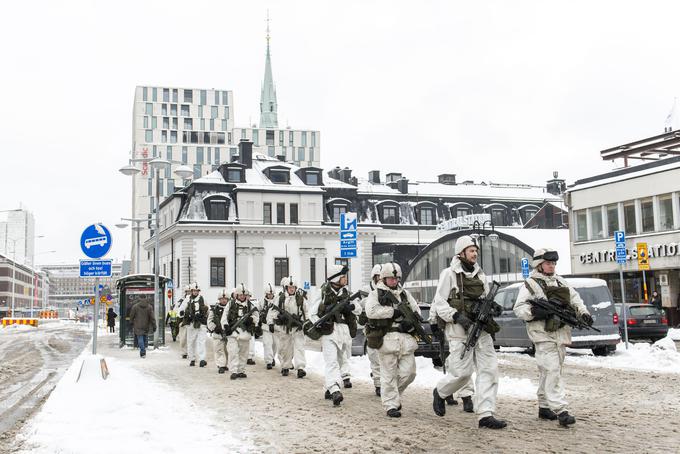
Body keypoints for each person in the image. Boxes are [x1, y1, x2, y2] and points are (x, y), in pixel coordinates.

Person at [430, 235, 507, 429]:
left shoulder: (481, 275)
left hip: (481, 330)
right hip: (459, 330)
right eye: (471, 250)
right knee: (462, 374)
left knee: (489, 371)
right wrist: (456, 316)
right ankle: (440, 392)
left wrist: (493, 307)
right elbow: (439, 303)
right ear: (461, 252)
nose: (475, 254)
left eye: (476, 251)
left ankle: (485, 414)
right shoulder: (449, 274)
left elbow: (484, 298)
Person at [514, 248, 593, 427]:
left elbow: (575, 298)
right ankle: (561, 410)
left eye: (554, 263)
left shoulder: (560, 281)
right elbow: (519, 308)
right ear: (539, 265)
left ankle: (543, 406)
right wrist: (534, 311)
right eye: (549, 263)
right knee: (552, 371)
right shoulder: (530, 284)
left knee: (549, 371)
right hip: (542, 334)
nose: (552, 266)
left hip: (560, 333)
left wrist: (584, 313)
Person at [365, 262, 423, 417]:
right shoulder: (376, 293)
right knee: (388, 374)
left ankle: (392, 395)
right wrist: (392, 312)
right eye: (390, 278)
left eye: (396, 278)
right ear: (383, 279)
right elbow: (370, 311)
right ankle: (391, 405)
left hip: (405, 338)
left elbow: (416, 309)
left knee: (409, 373)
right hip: (387, 338)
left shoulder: (404, 294)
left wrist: (411, 321)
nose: (394, 281)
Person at [308, 264, 362, 406]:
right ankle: (335, 390)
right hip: (329, 331)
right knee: (331, 362)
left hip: (343, 333)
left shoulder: (347, 293)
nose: (345, 279)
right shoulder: (322, 293)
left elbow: (359, 309)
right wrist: (320, 323)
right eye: (343, 276)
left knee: (339, 362)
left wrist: (351, 307)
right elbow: (312, 313)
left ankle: (328, 386)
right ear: (337, 278)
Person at [268, 277, 308, 378]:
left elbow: (306, 312)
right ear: (286, 288)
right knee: (284, 348)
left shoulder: (300, 298)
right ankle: (285, 366)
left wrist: (306, 323)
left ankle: (300, 368)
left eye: (293, 287)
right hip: (284, 328)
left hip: (297, 328)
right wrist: (271, 323)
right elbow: (273, 311)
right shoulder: (280, 298)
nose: (291, 289)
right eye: (290, 287)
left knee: (299, 348)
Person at [221, 284, 259, 380]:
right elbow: (224, 316)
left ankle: (241, 371)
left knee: (243, 353)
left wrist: (251, 319)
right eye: (240, 295)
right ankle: (233, 371)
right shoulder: (230, 304)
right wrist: (226, 326)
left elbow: (256, 317)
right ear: (236, 295)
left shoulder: (251, 305)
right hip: (233, 333)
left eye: (244, 295)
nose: (242, 296)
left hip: (245, 333)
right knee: (233, 352)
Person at [358, 264, 383, 396]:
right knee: (374, 357)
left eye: (381, 276)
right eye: (377, 276)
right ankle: (378, 384)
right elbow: (358, 305)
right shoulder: (366, 289)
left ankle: (384, 382)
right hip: (372, 329)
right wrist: (370, 300)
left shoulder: (386, 289)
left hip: (385, 328)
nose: (379, 279)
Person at [183, 283, 208, 367]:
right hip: (191, 323)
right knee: (191, 342)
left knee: (201, 342)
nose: (195, 292)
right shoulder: (187, 299)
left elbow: (208, 310)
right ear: (191, 291)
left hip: (201, 323)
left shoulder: (203, 299)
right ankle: (192, 358)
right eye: (194, 291)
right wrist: (183, 314)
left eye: (197, 291)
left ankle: (202, 359)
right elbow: (181, 310)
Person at [207, 289, 230, 374]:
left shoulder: (230, 309)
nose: (223, 300)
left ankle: (225, 364)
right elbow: (209, 320)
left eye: (225, 299)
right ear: (219, 300)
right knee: (218, 350)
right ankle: (221, 365)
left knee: (227, 350)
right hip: (217, 334)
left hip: (228, 333)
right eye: (221, 299)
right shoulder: (214, 309)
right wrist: (213, 328)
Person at [261, 283, 280, 369]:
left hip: (275, 327)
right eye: (269, 294)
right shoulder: (262, 302)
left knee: (275, 344)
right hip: (265, 327)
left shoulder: (277, 301)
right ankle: (268, 361)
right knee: (267, 344)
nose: (270, 295)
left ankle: (272, 357)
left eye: (271, 294)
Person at [177, 285, 191, 358]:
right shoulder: (181, 300)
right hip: (183, 322)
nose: (189, 293)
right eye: (187, 291)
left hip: (190, 322)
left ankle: (190, 352)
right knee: (183, 339)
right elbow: (177, 310)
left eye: (190, 291)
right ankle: (184, 352)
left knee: (190, 339)